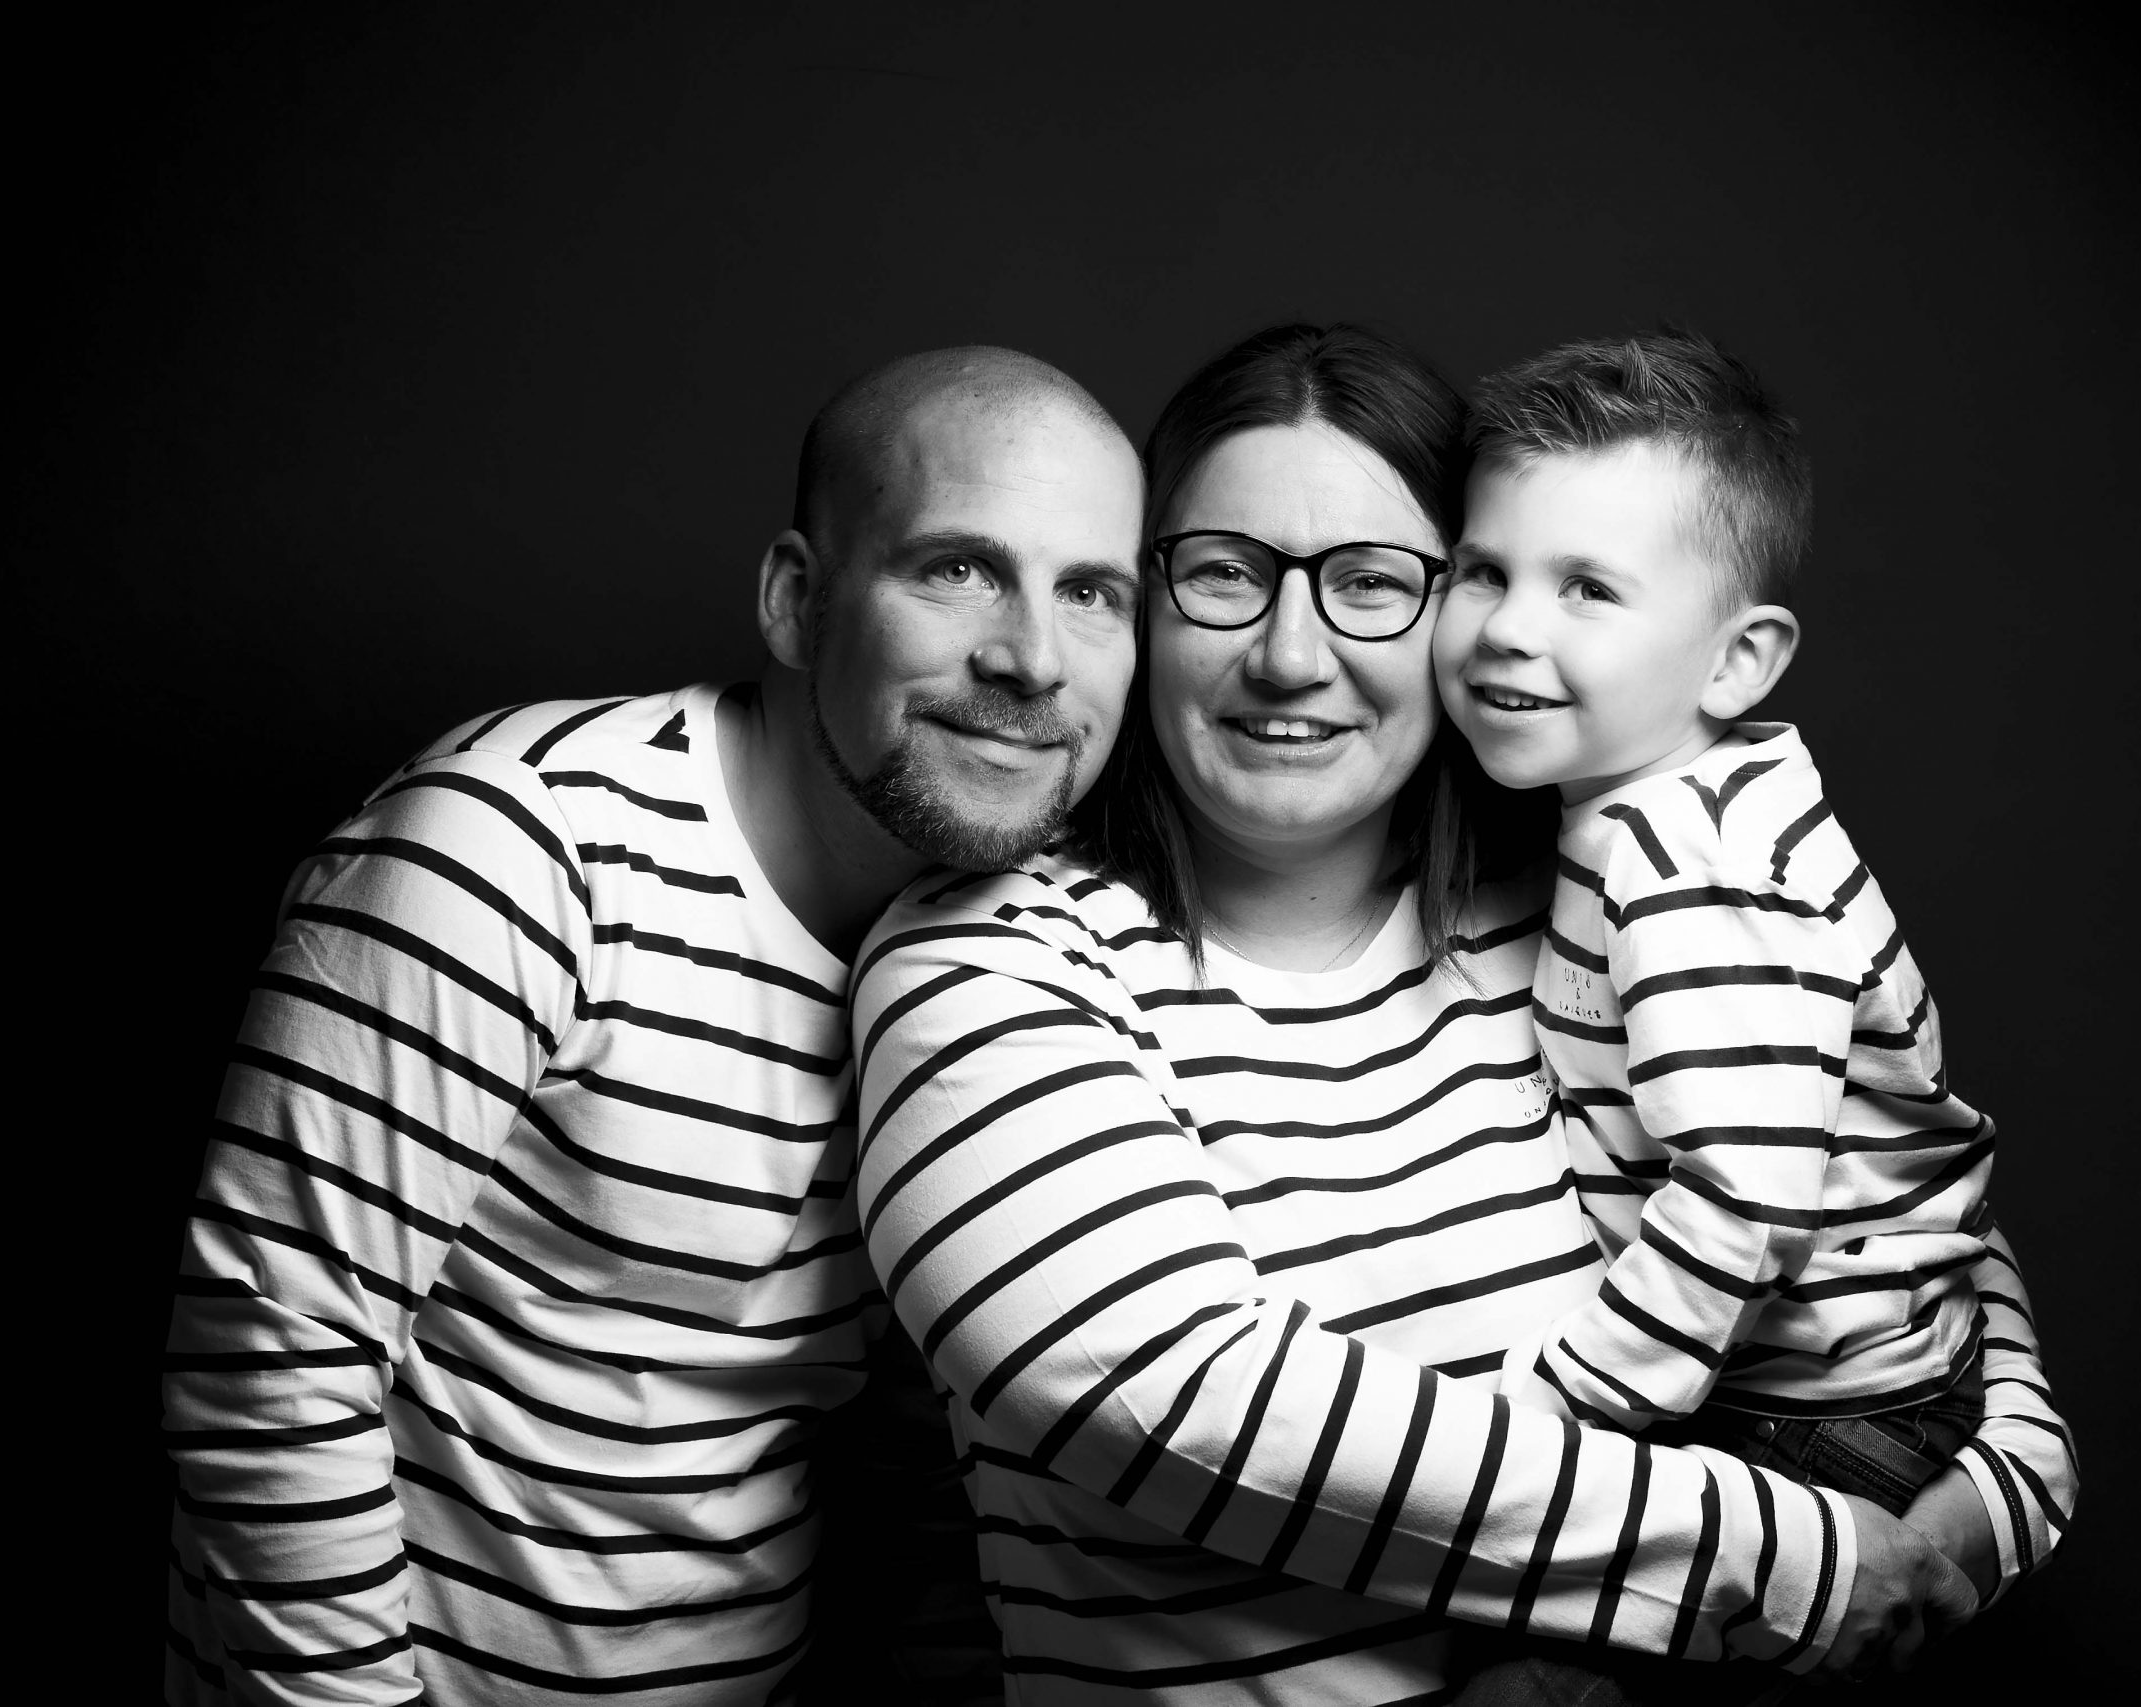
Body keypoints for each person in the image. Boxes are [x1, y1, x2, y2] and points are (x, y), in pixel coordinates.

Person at [850, 324, 2071, 1706]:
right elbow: (1178, 1402)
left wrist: (1999, 1489)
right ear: (1143, 599)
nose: (1290, 656)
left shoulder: (1600, 904)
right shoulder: (986, 966)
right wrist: (1816, 1566)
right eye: (1226, 572)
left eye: (1372, 581)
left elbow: (1882, 1200)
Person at [161, 346, 1147, 1706]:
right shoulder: (515, 850)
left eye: (1091, 593)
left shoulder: (1012, 967)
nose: (1031, 658)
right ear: (795, 600)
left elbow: (932, 1469)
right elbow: (272, 1361)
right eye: (958, 569)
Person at [1437, 330, 2003, 1504]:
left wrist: (1551, 1413)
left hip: (1818, 1414)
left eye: (1588, 589)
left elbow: (1743, 1200)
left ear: (1737, 662)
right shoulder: (1660, 809)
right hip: (1787, 1379)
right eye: (1484, 570)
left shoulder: (1696, 865)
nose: (1506, 628)